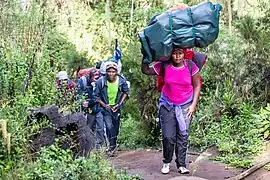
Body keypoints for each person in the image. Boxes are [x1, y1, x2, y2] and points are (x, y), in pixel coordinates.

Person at [141, 48, 201, 174]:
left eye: (180, 53)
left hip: (186, 106)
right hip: (167, 104)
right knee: (168, 136)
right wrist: (145, 55)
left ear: (184, 54)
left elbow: (197, 85)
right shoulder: (165, 65)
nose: (177, 56)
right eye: (174, 53)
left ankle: (181, 165)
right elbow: (146, 70)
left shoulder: (190, 65)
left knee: (183, 135)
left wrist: (193, 105)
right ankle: (166, 162)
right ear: (170, 54)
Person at [94, 62, 129, 156]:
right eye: (109, 71)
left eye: (113, 72)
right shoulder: (100, 82)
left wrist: (119, 104)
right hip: (106, 108)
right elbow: (96, 96)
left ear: (116, 72)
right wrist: (104, 105)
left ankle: (113, 144)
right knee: (109, 127)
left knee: (115, 128)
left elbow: (126, 92)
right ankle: (112, 147)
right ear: (106, 72)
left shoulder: (121, 81)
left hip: (117, 107)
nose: (111, 74)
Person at [76, 69, 104, 148]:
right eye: (94, 79)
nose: (95, 81)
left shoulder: (102, 80)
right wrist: (81, 101)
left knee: (100, 127)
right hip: (88, 109)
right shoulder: (83, 81)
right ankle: (89, 147)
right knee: (89, 128)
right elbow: (77, 94)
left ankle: (99, 148)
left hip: (99, 107)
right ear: (90, 76)